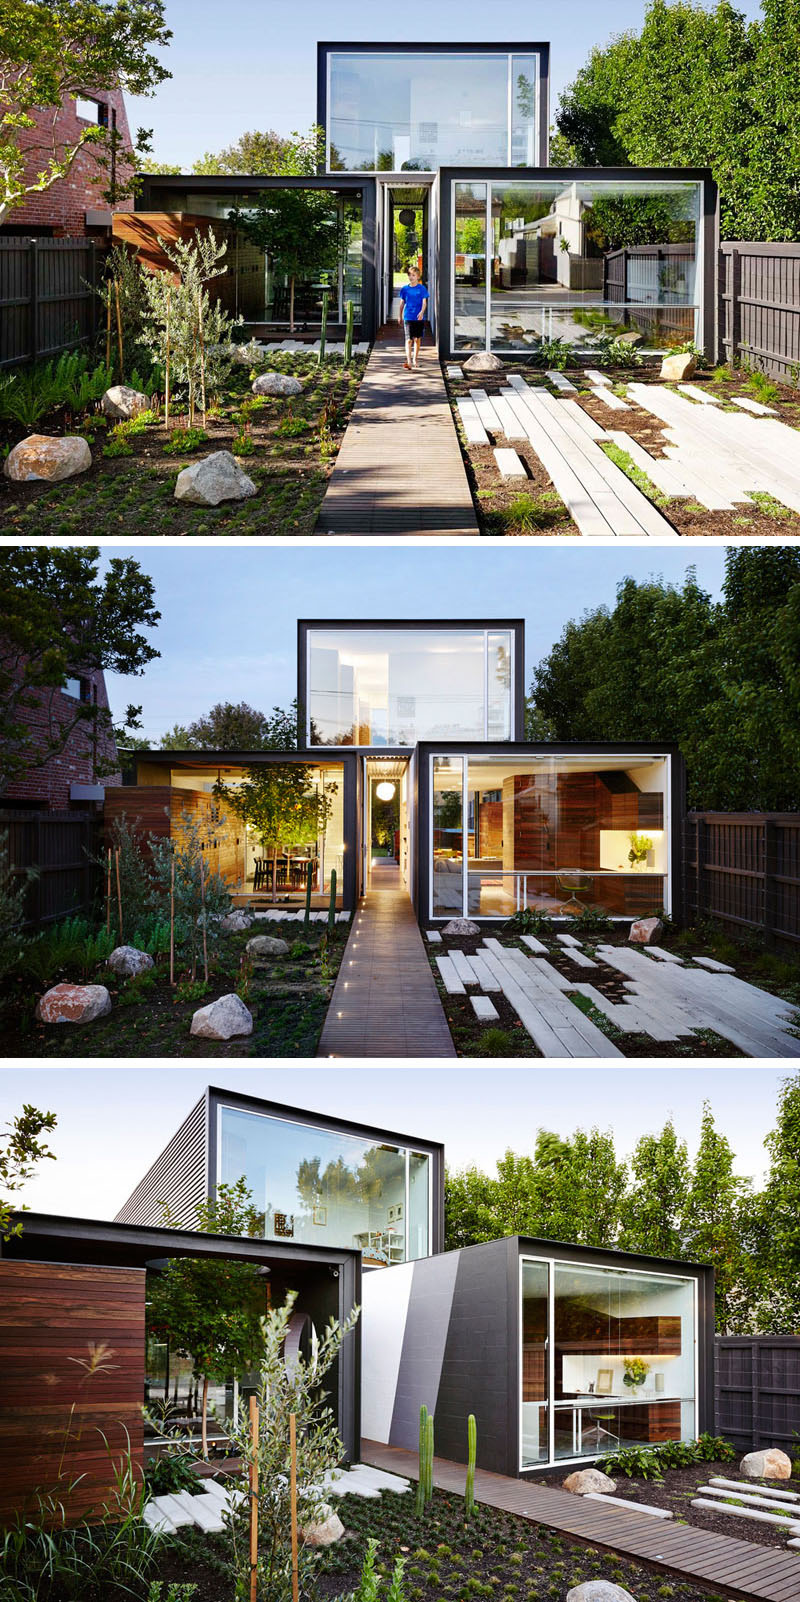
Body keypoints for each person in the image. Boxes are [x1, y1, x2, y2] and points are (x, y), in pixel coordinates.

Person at [398, 265, 428, 371]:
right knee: (408, 340)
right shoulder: (404, 289)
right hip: (408, 317)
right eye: (410, 275)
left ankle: (415, 359)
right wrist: (399, 316)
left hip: (418, 318)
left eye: (413, 275)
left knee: (417, 339)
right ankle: (409, 361)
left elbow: (424, 303)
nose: (411, 277)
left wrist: (422, 312)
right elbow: (402, 303)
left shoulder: (422, 288)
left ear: (418, 277)